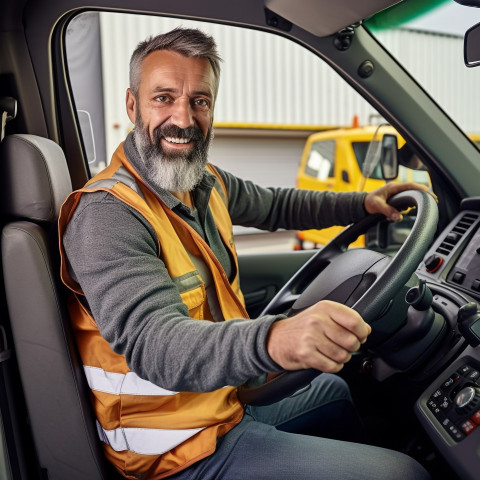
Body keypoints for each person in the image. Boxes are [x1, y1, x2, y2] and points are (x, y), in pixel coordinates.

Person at [59, 27, 432, 480]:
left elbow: (278, 203)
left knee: (334, 391)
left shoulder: (202, 181)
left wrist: (363, 203)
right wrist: (274, 339)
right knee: (404, 474)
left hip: (221, 399)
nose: (184, 117)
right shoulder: (106, 214)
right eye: (163, 98)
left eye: (200, 100)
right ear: (133, 105)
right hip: (173, 448)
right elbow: (153, 344)